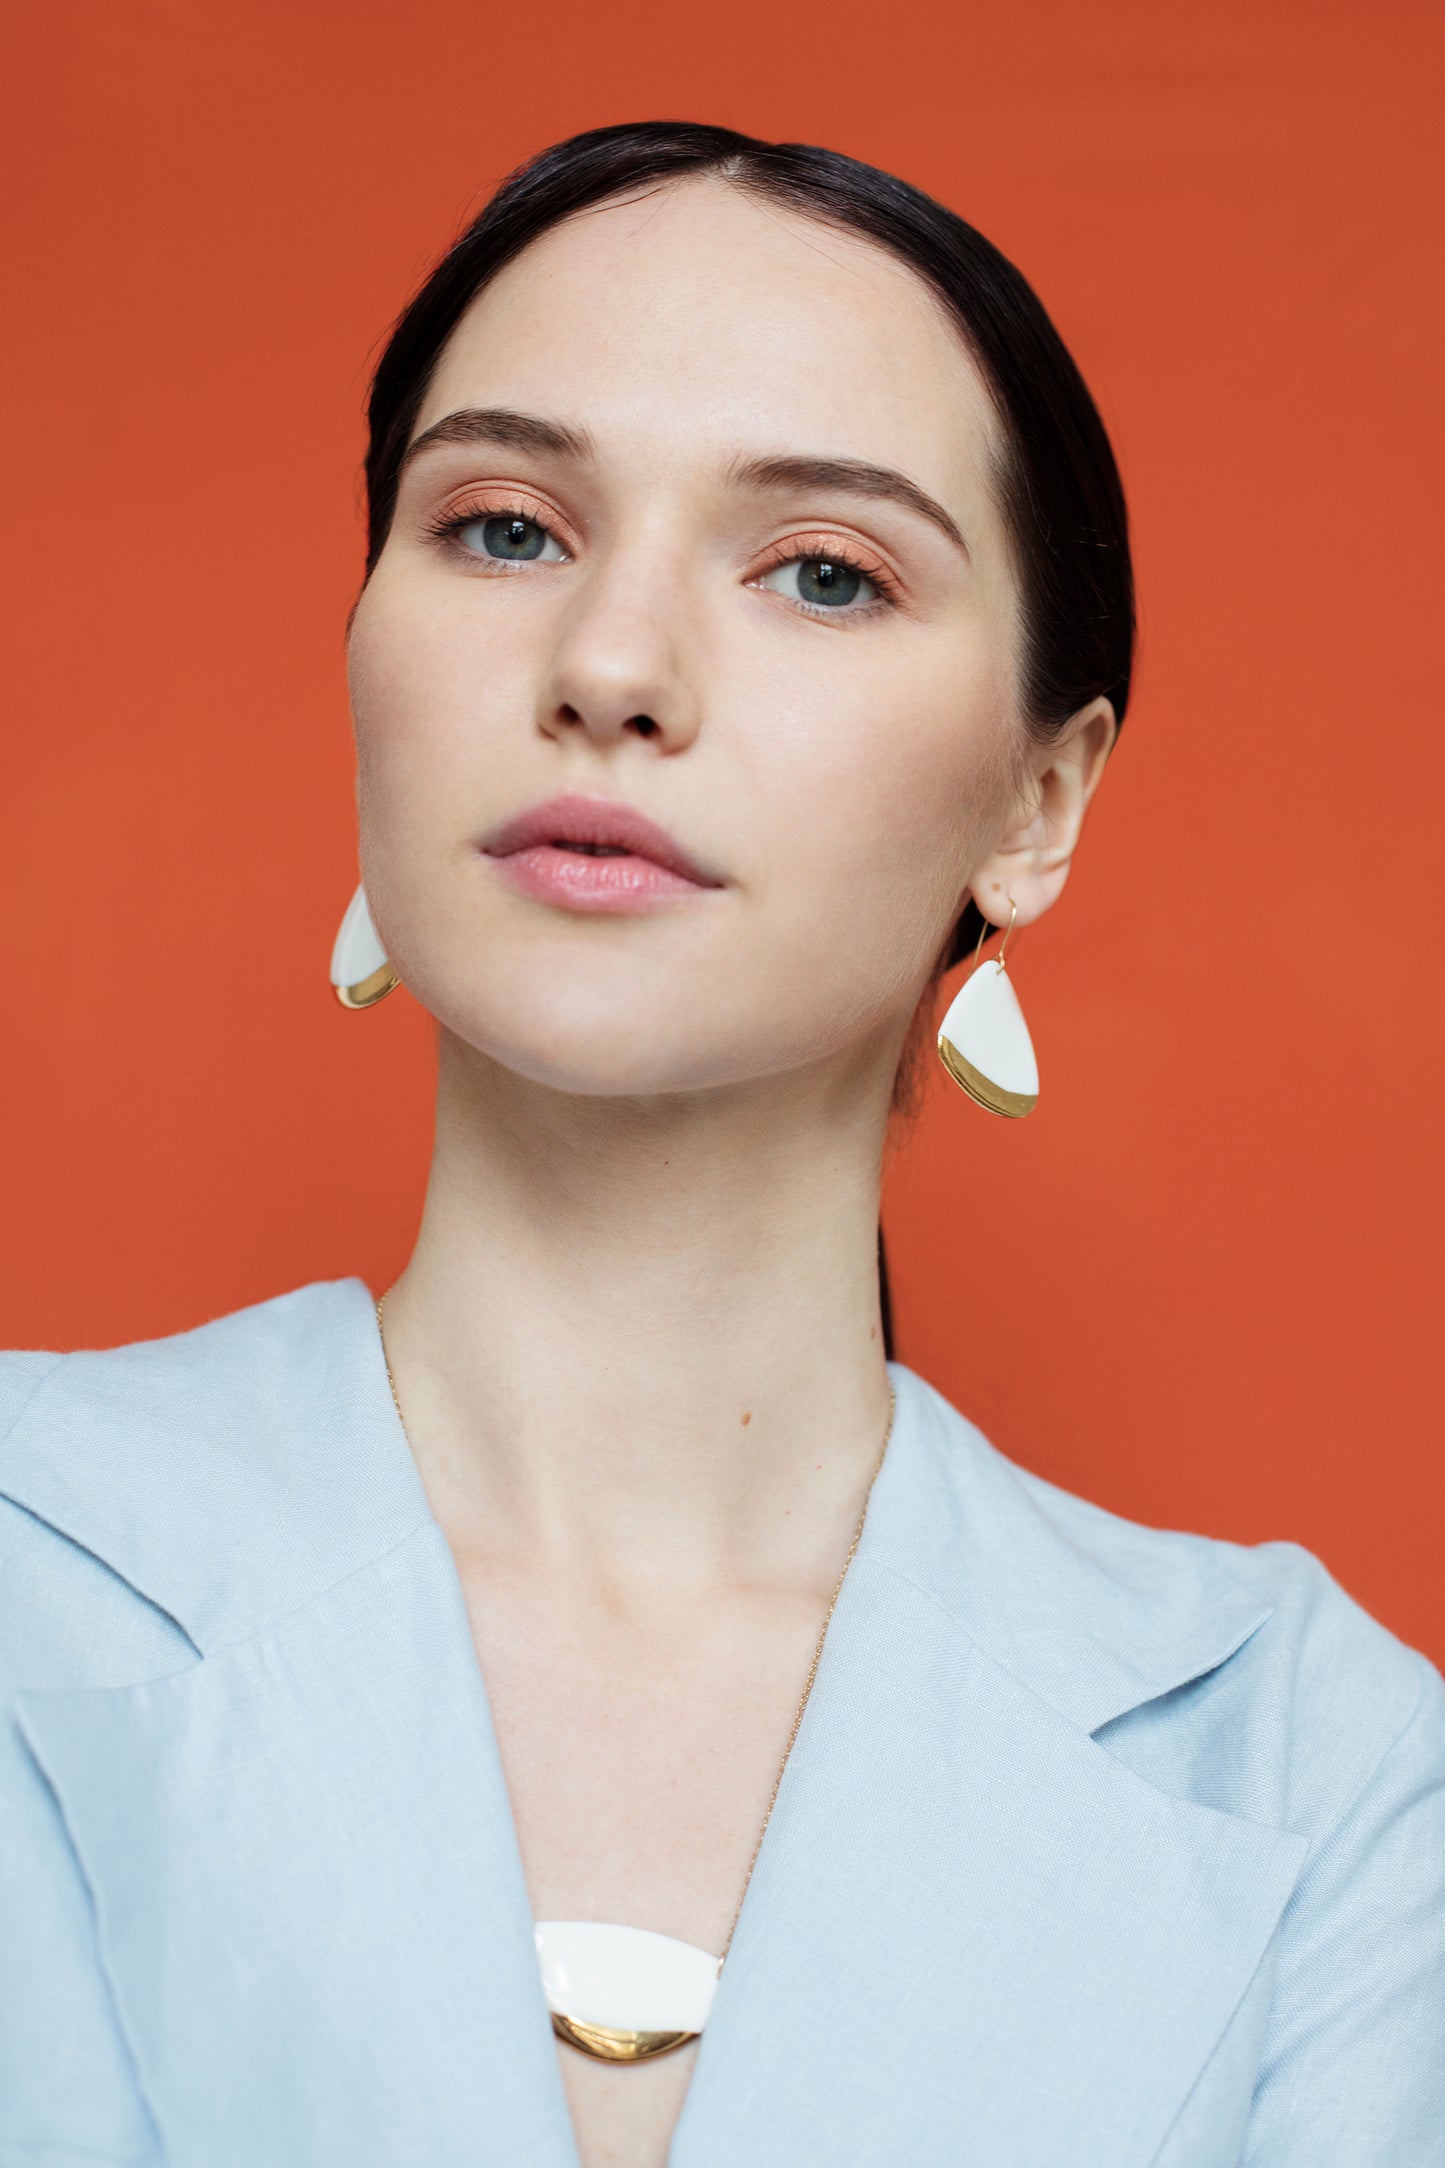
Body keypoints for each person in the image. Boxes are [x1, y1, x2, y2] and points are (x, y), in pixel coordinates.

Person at [1, 121, 1441, 2168]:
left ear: (1038, 803)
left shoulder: (1317, 1776)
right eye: (504, 527)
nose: (608, 666)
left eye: (825, 573)